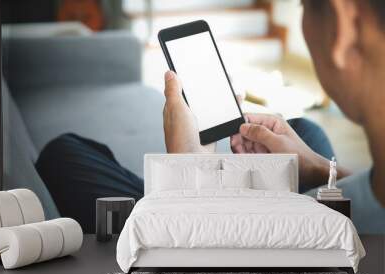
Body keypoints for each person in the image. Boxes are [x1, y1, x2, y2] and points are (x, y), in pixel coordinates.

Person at [37, 0, 385, 234]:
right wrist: (319, 169)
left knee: (64, 154)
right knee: (302, 129)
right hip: (322, 201)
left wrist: (188, 174)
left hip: (215, 232)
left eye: (303, 5)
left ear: (345, 28)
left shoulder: (325, 235)